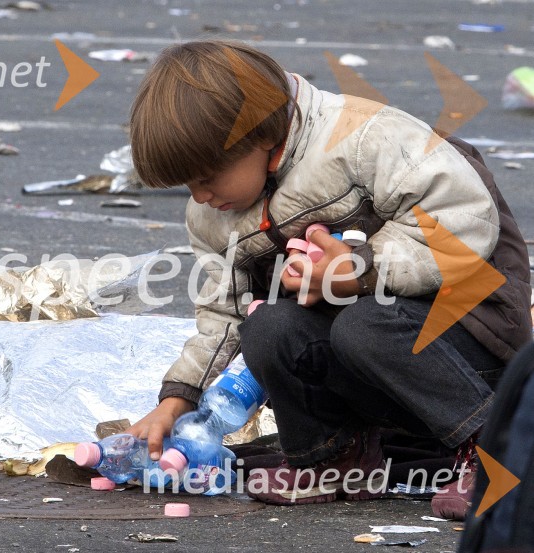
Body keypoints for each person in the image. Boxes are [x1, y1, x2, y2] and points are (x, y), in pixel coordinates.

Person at [125, 40, 532, 515]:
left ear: (260, 137)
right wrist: (179, 398)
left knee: (364, 324)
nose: (200, 196)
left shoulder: (364, 139)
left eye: (208, 177)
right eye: (188, 185)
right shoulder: (213, 216)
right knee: (268, 324)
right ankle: (333, 457)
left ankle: (501, 449)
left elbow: (464, 222)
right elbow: (223, 314)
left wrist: (360, 268)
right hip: (374, 373)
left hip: (469, 348)